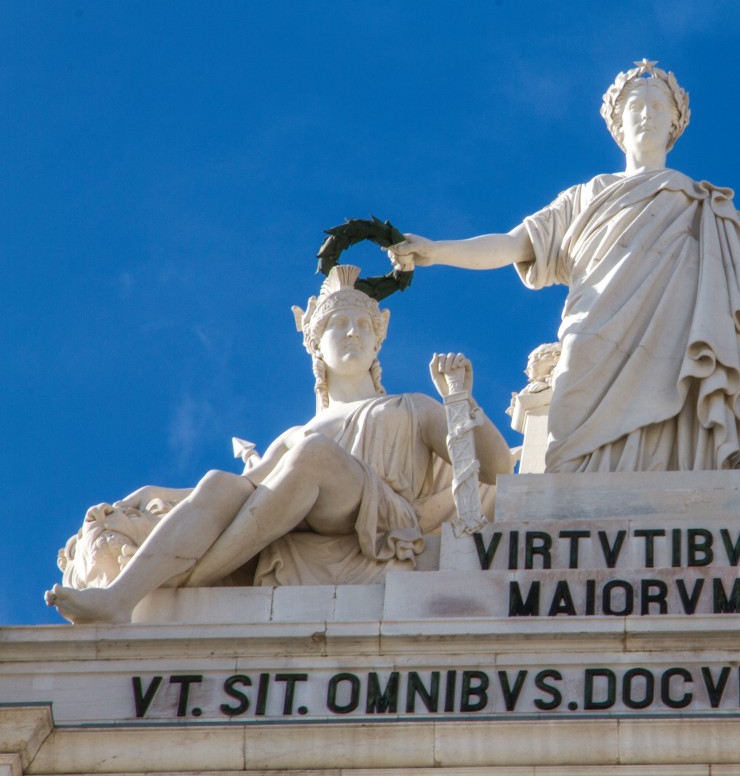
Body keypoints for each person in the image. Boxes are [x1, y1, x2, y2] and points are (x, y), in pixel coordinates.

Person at [388, 60, 740, 474]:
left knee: (677, 422)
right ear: (617, 123)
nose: (648, 114)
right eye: (637, 105)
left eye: (659, 106)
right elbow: (513, 243)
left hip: (678, 337)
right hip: (595, 328)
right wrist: (437, 251)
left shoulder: (705, 203)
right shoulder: (583, 197)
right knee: (568, 435)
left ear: (675, 124)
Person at [46, 265, 512, 623]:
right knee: (220, 483)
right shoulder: (295, 435)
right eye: (339, 324)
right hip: (312, 516)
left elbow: (497, 472)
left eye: (363, 326)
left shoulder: (414, 406)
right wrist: (160, 494)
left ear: (377, 343)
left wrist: (461, 401)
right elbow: (245, 490)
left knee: (312, 455)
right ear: (316, 344)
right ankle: (120, 598)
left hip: (385, 520)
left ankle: (192, 576)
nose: (352, 331)